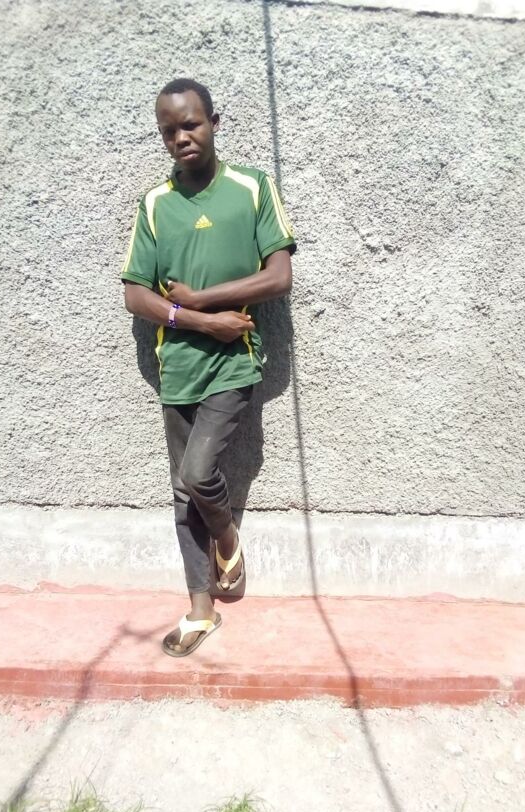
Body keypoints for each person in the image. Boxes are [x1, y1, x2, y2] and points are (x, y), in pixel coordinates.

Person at [121, 78, 296, 657]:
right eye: (169, 130)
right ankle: (201, 610)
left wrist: (203, 299)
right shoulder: (155, 203)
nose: (181, 137)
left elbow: (278, 276)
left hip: (234, 361)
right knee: (182, 493)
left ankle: (226, 536)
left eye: (191, 124)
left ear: (214, 123)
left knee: (197, 475)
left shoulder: (252, 187)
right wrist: (197, 319)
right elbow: (135, 295)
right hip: (178, 366)